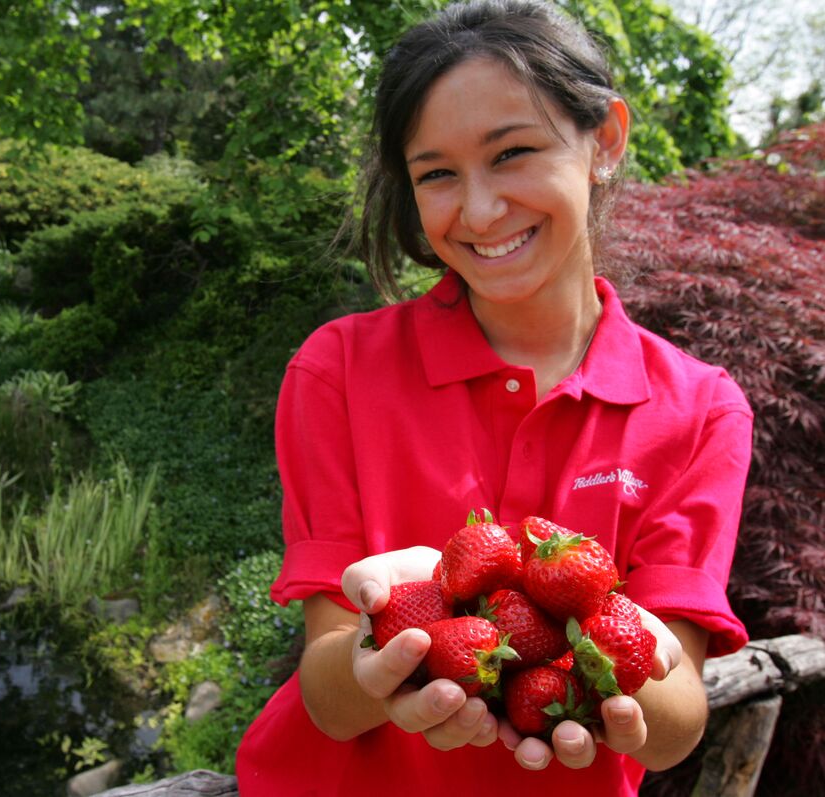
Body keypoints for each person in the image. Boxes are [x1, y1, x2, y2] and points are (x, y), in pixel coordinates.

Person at [234, 0, 753, 795]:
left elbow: (675, 727)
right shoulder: (336, 370)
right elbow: (331, 701)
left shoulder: (700, 409)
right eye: (436, 173)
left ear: (605, 140)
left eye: (512, 153)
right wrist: (397, 624)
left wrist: (609, 631)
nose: (478, 211)